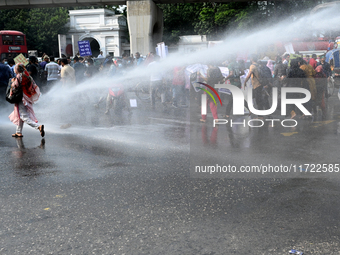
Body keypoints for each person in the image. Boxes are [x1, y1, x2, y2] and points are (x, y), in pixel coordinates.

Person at [8, 63, 44, 138]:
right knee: (20, 114)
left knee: (24, 116)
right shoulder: (27, 75)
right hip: (27, 97)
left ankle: (38, 126)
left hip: (21, 98)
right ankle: (18, 132)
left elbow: (15, 86)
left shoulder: (19, 76)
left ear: (17, 69)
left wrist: (12, 82)